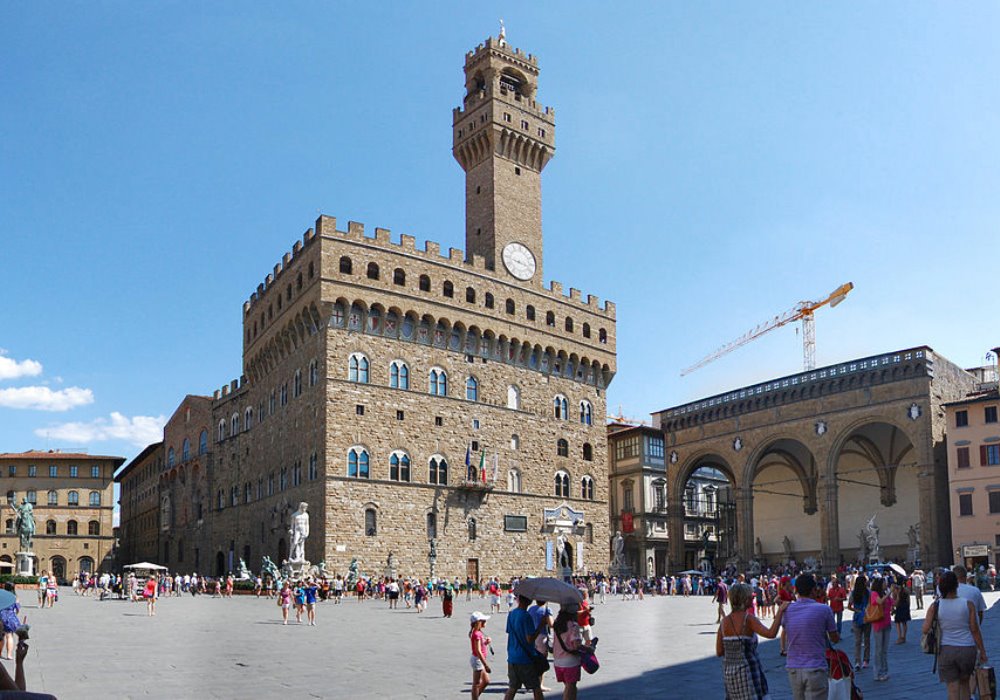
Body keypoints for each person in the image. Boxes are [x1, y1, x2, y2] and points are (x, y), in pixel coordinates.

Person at [716, 583, 788, 699]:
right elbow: (771, 633)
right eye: (751, 596)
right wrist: (780, 611)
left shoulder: (724, 622)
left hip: (729, 673)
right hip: (748, 672)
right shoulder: (748, 619)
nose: (753, 598)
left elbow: (719, 651)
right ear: (744, 599)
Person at [923, 570, 987, 700]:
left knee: (952, 688)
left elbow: (925, 629)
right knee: (965, 685)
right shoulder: (968, 604)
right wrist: (982, 651)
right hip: (967, 648)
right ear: (956, 585)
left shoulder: (935, 606)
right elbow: (975, 630)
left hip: (946, 649)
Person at [781, 573, 839, 700]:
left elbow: (786, 630)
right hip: (815, 666)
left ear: (796, 590)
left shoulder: (787, 610)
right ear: (814, 590)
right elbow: (834, 638)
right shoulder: (824, 609)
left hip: (794, 668)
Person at [503, 594, 544, 700]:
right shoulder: (526, 616)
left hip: (512, 656)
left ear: (518, 600)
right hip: (525, 658)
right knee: (536, 687)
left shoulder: (511, 614)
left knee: (512, 688)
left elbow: (509, 632)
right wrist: (540, 627)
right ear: (529, 602)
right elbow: (530, 639)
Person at [552, 603, 589, 700]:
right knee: (570, 687)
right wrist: (588, 648)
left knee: (569, 687)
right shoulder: (573, 625)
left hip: (558, 661)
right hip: (570, 661)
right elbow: (577, 645)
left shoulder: (557, 623)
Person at [868, 576, 894, 682]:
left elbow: (893, 603)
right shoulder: (874, 594)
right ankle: (877, 673)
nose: (886, 584)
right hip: (878, 624)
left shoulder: (885, 593)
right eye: (884, 583)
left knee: (884, 650)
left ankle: (884, 670)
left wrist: (897, 593)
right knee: (878, 649)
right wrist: (889, 593)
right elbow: (879, 602)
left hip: (887, 623)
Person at [846, 575, 871, 670]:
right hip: (867, 617)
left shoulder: (853, 593)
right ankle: (866, 660)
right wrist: (865, 610)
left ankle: (857, 661)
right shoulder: (868, 592)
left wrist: (857, 610)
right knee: (867, 640)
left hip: (857, 618)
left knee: (858, 641)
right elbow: (870, 603)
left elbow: (849, 606)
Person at [469, 611, 492, 700]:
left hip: (479, 660)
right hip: (478, 660)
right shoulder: (477, 634)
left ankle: (475, 696)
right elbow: (478, 651)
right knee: (476, 683)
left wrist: (486, 642)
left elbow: (480, 647)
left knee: (486, 681)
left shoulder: (478, 633)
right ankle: (474, 698)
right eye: (484, 621)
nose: (485, 622)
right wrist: (486, 665)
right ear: (479, 622)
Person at [0, 583, 20, 660]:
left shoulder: (2, 595)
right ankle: (9, 655)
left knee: (1, 637)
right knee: (9, 636)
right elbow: (17, 609)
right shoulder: (15, 597)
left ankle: (0, 653)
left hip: (1, 616)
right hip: (10, 617)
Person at [893, 578, 910, 643]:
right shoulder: (906, 590)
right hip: (905, 607)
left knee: (898, 622)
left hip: (899, 607)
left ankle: (899, 637)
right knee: (904, 622)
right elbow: (908, 600)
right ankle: (904, 637)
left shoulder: (897, 590)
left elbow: (895, 600)